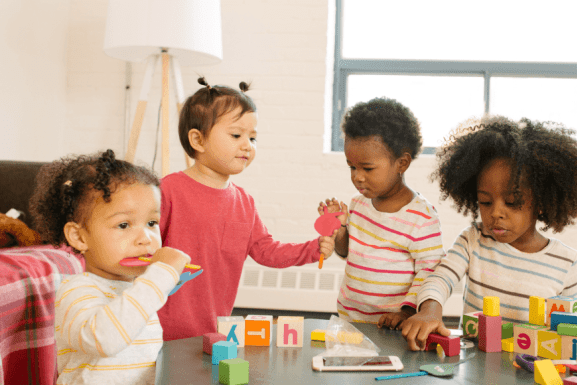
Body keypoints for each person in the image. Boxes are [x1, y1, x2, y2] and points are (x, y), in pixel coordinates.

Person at [400, 116, 577, 350]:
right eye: (485, 202)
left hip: (528, 366)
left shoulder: (565, 262)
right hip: (475, 363)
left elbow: (570, 329)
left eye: (512, 201)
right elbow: (441, 278)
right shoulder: (474, 240)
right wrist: (430, 311)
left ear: (541, 201)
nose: (496, 212)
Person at [158, 78, 337, 341]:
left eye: (252, 137)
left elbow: (267, 251)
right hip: (160, 329)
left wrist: (313, 248)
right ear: (198, 140)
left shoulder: (244, 202)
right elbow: (141, 250)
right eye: (236, 135)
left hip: (213, 328)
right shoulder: (167, 190)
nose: (247, 145)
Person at [30, 149, 191, 384]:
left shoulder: (137, 291)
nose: (145, 238)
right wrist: (159, 277)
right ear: (79, 237)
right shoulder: (76, 291)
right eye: (124, 225)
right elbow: (105, 339)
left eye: (152, 223)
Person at [320, 97, 446, 326]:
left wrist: (407, 313)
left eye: (367, 168)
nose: (357, 176)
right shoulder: (358, 204)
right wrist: (339, 230)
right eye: (352, 167)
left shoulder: (422, 217)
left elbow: (430, 272)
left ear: (402, 163)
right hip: (351, 320)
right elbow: (347, 252)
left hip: (394, 326)